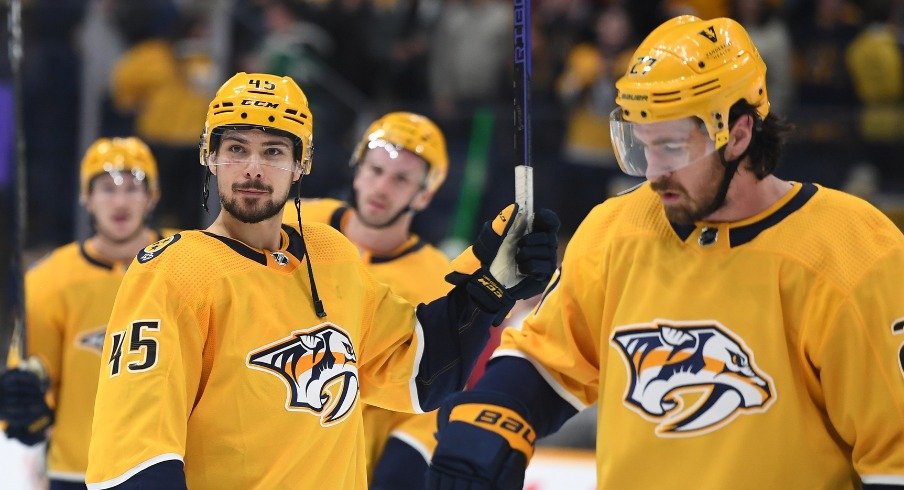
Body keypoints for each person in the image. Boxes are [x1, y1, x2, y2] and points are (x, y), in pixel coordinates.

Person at [427, 15, 904, 490]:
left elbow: (894, 458)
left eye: (672, 148)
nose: (653, 173)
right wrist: (493, 416)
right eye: (641, 147)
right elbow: (550, 354)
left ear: (738, 135)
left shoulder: (854, 252)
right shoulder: (616, 230)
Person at [83, 72, 559, 489]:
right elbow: (135, 452)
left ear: (301, 163)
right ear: (209, 156)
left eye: (273, 151)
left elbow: (420, 371)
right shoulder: (173, 271)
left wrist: (491, 288)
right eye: (236, 149)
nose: (252, 168)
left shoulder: (330, 255)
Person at [280, 111, 454, 488]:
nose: (382, 188)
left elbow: (431, 393)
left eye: (401, 179)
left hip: (348, 465)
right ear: (357, 170)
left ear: (423, 194)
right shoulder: (293, 224)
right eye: (375, 171)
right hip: (264, 437)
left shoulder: (438, 282)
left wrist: (404, 460)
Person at [0, 137, 173, 489]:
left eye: (133, 187)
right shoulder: (48, 281)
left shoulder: (189, 263)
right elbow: (33, 377)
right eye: (107, 188)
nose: (121, 201)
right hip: (78, 471)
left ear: (152, 196)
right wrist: (25, 405)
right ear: (86, 198)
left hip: (168, 467)